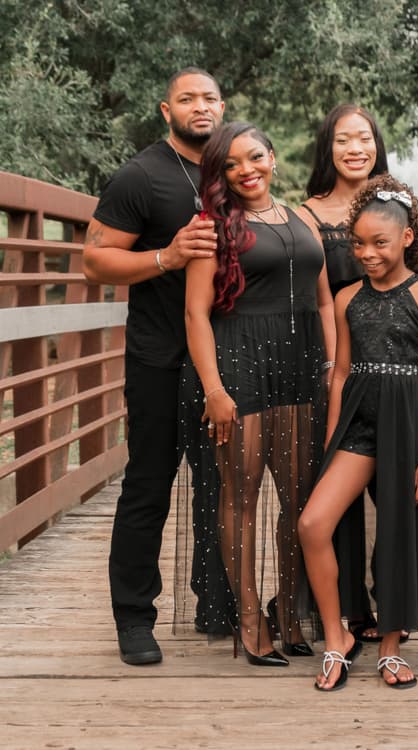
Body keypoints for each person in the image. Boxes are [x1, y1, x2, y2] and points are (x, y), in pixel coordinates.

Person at [179, 121, 336, 666]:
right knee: (240, 497)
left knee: (298, 498)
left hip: (300, 369)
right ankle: (249, 621)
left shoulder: (299, 220)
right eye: (231, 164)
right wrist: (214, 390)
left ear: (272, 158)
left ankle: (288, 612)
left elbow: (322, 302)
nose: (246, 170)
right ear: (220, 173)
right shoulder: (212, 225)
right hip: (240, 365)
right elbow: (196, 313)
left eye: (254, 157)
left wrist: (333, 368)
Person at [82, 67, 224, 665]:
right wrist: (165, 256)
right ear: (165, 110)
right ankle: (134, 618)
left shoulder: (231, 171)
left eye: (210, 98)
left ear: (223, 107)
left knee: (223, 484)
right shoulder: (140, 175)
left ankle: (219, 600)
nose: (201, 107)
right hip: (159, 358)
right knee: (149, 487)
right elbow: (95, 259)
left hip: (222, 359)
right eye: (187, 99)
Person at [298, 175, 418, 691]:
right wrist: (332, 438)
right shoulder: (346, 300)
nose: (365, 253)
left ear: (407, 238)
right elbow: (340, 373)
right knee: (314, 525)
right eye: (357, 243)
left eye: (378, 243)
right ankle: (337, 637)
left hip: (408, 423)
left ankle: (389, 646)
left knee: (398, 536)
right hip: (359, 423)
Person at [296, 104, 394, 643]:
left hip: (400, 368)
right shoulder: (308, 214)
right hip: (338, 365)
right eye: (342, 139)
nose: (355, 148)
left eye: (364, 137)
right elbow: (318, 302)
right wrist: (338, 368)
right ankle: (350, 607)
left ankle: (396, 597)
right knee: (340, 486)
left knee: (397, 487)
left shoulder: (398, 205)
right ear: (326, 149)